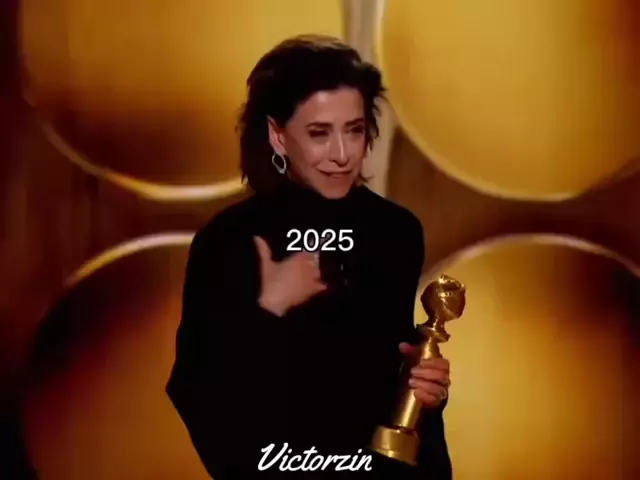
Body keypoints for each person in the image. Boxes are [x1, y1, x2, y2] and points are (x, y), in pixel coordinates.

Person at [166, 34, 452, 479]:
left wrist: (426, 388)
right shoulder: (229, 239)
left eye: (354, 130)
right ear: (277, 136)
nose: (341, 154)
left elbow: (388, 374)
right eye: (319, 133)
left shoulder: (396, 231)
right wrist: (270, 307)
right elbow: (196, 389)